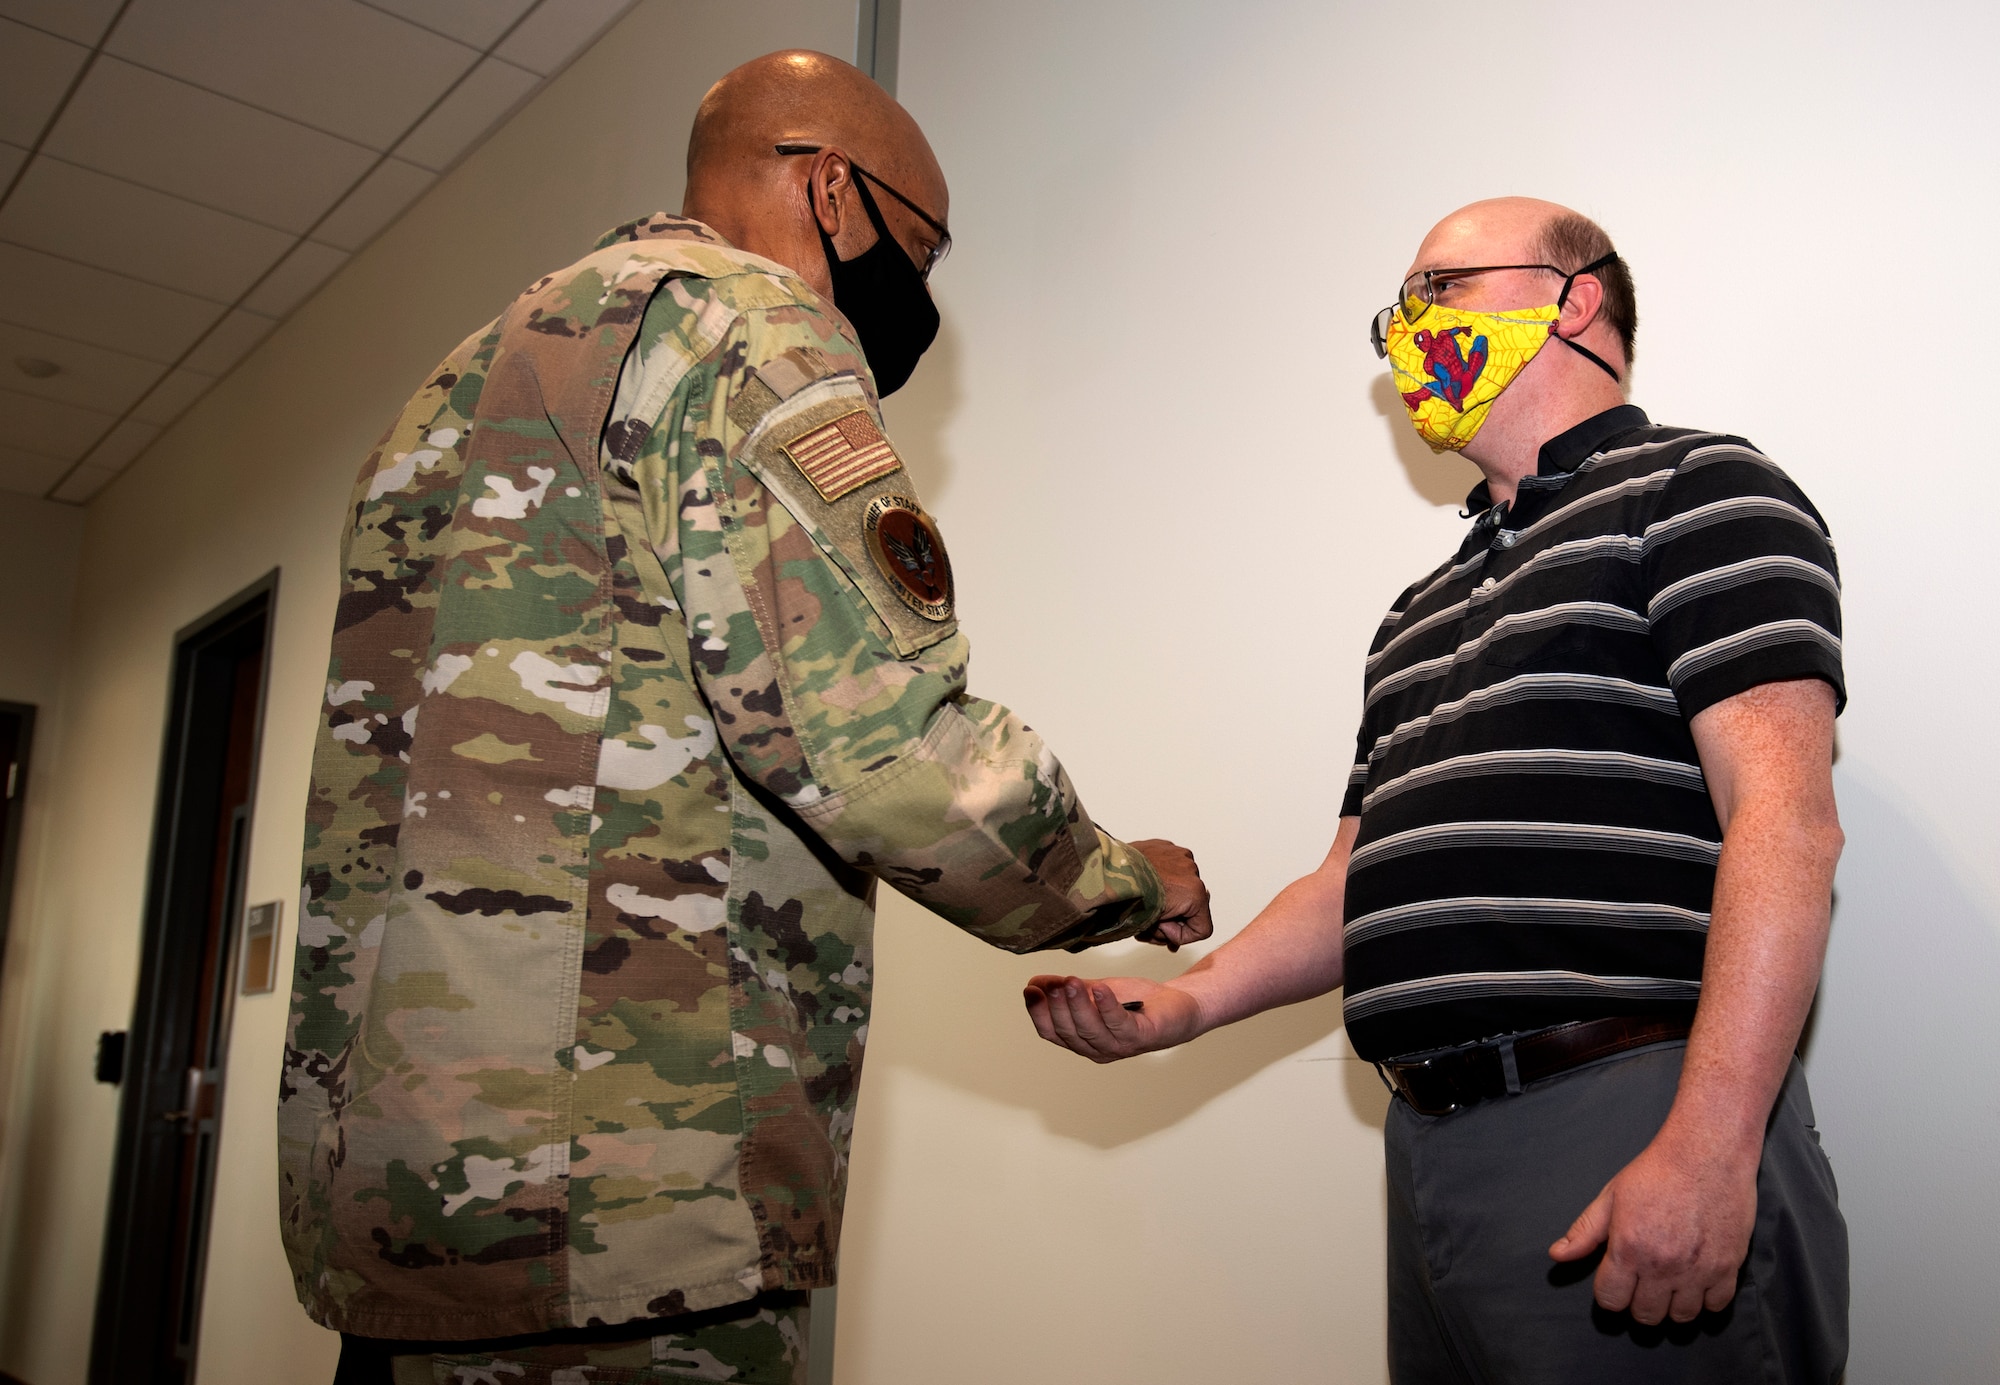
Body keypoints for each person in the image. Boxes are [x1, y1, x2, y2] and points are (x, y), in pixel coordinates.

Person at [281, 50, 1211, 1385]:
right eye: (920, 247)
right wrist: (1122, 883)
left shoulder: (462, 381)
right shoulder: (752, 334)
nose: (919, 291)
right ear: (833, 189)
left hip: (406, 1186)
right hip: (622, 1199)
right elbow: (882, 741)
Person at [1026, 198, 1849, 1382]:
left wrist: (1711, 1144)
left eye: (1438, 292)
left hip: (1624, 1114)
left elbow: (1786, 822)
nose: (1403, 333)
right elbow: (1353, 879)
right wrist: (1188, 1004)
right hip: (1429, 1150)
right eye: (1392, 313)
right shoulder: (1414, 615)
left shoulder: (1697, 489)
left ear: (1575, 301)